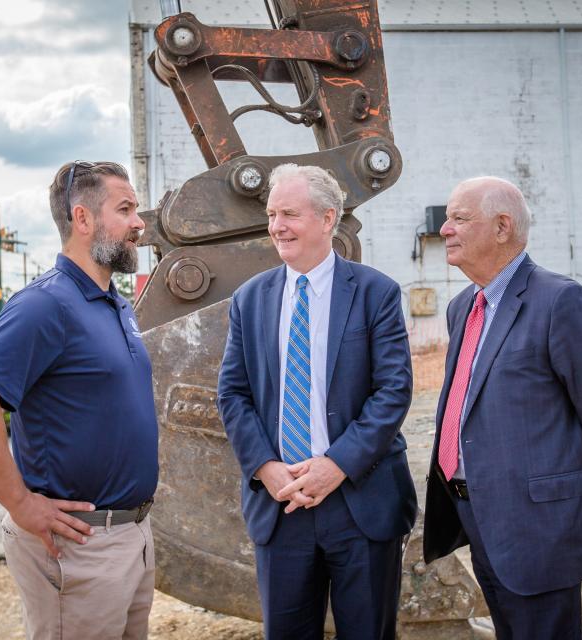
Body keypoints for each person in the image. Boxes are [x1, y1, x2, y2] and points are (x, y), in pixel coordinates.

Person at [0, 161, 159, 640]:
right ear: (82, 220)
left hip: (130, 536)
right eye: (125, 209)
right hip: (79, 548)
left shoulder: (116, 305)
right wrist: (20, 503)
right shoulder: (45, 305)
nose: (139, 222)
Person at [422, 177, 582, 640]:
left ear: (502, 227)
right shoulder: (464, 306)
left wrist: (571, 487)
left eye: (459, 218)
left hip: (539, 521)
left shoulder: (560, 300)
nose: (445, 229)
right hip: (474, 509)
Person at [217, 163, 417, 639]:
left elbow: (393, 391)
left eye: (289, 213)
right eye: (271, 214)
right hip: (282, 505)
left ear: (328, 219)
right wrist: (266, 467)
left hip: (360, 503)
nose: (276, 226)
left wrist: (336, 464)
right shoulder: (249, 299)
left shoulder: (376, 293)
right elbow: (233, 393)